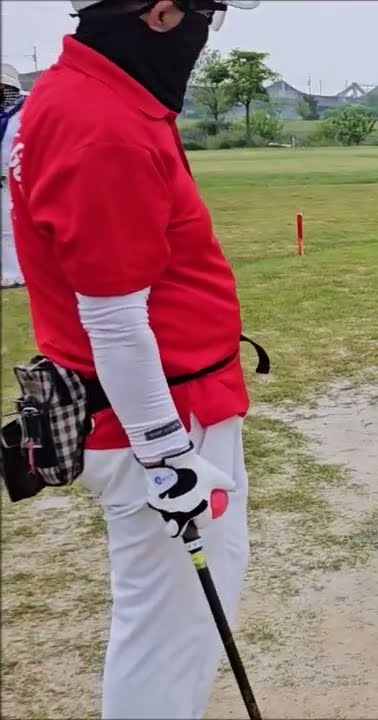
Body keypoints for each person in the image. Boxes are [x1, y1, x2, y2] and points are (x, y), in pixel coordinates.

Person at [6, 1, 270, 717]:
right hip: (159, 416)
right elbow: (114, 317)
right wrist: (168, 456)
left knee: (180, 620)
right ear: (162, 14)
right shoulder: (103, 126)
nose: (206, 33)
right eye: (209, 14)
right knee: (169, 634)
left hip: (164, 404)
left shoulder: (91, 94)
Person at [1, 62, 25, 288]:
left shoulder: (24, 111)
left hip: (17, 175)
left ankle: (17, 272)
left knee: (14, 226)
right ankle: (8, 271)